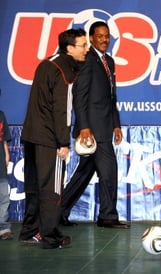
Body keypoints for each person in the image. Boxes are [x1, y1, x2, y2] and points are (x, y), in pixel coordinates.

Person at [18, 28, 88, 249]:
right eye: (83, 45)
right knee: (52, 189)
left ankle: (30, 231)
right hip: (49, 139)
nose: (87, 49)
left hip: (31, 135)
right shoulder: (65, 69)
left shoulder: (47, 63)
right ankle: (51, 237)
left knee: (34, 187)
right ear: (70, 48)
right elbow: (62, 109)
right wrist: (63, 142)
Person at [60, 21, 129, 229]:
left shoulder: (109, 61)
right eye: (100, 36)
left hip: (106, 125)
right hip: (92, 128)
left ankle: (58, 211)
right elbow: (80, 96)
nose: (104, 40)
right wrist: (83, 127)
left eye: (107, 36)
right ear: (91, 39)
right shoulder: (86, 60)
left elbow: (111, 96)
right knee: (109, 170)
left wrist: (116, 124)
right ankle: (107, 216)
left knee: (85, 172)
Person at [0, 110, 13, 240]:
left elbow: (3, 138)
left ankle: (3, 228)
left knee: (3, 197)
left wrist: (7, 154)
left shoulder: (1, 114)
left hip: (0, 163)